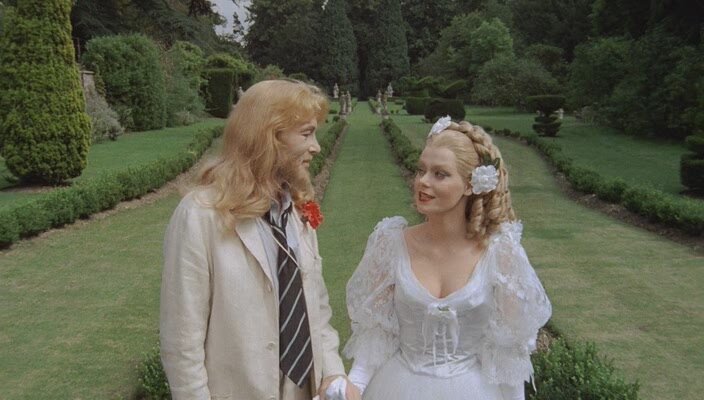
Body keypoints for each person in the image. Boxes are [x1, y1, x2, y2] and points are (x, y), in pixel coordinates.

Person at [160, 79, 360, 400]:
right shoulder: (199, 216)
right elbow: (182, 341)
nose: (316, 147)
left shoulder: (296, 212)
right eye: (306, 134)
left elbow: (316, 309)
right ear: (269, 137)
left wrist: (333, 373)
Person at [343, 117, 552, 400]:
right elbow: (375, 339)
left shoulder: (501, 254)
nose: (423, 181)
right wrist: (350, 388)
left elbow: (507, 358)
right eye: (421, 170)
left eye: (440, 174)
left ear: (470, 185)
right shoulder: (390, 243)